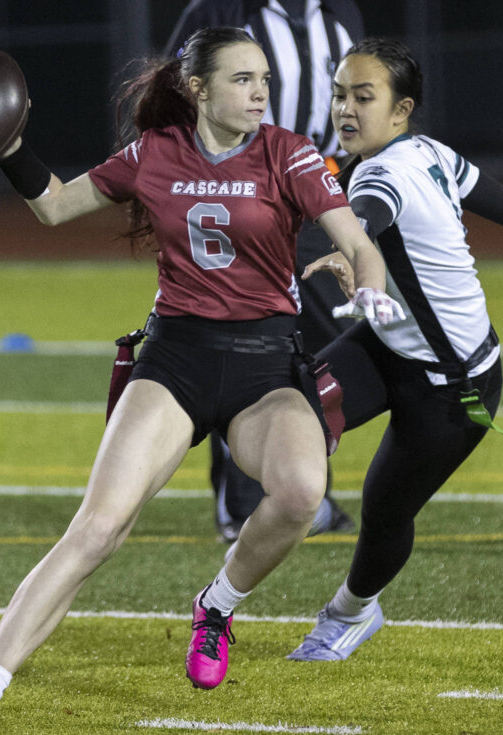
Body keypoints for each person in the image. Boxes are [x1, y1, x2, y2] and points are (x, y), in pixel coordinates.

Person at [0, 27, 403, 726]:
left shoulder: (288, 152)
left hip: (266, 365)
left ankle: (216, 605)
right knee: (98, 527)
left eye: (264, 79)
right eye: (243, 79)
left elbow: (359, 242)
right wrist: (10, 151)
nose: (260, 92)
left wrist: (370, 288)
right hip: (176, 358)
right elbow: (55, 206)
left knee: (302, 491)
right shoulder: (154, 154)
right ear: (199, 89)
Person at [277, 37, 503, 662]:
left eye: (364, 97)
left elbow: (370, 213)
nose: (345, 109)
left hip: (452, 387)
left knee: (384, 511)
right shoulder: (428, 151)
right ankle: (258, 534)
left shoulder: (385, 172)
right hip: (391, 345)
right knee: (285, 413)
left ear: (401, 109)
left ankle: (351, 612)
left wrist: (349, 248)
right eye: (340, 94)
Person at [167, 0, 366, 542]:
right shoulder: (222, 9)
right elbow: (173, 93)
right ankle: (243, 503)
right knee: (247, 347)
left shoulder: (341, 13)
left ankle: (298, 485)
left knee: (331, 350)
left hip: (320, 195)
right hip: (246, 199)